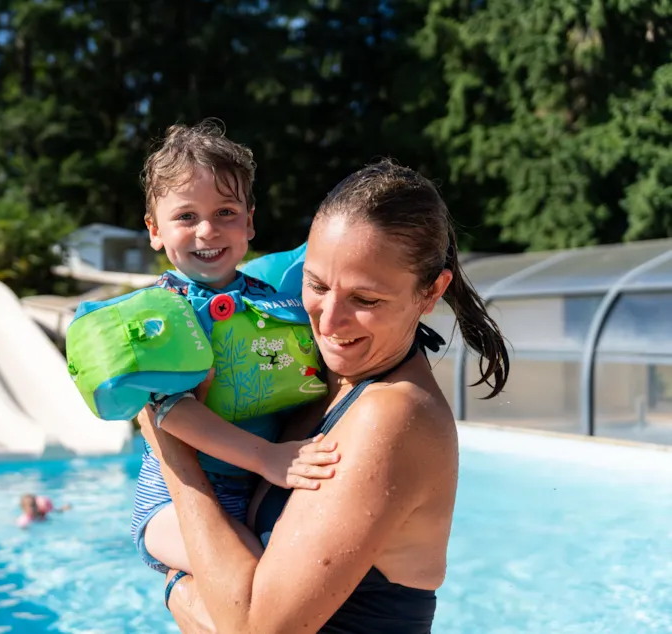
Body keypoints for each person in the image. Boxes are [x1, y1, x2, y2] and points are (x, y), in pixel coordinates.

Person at [140, 159, 509, 633]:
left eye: (366, 300)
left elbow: (256, 628)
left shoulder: (392, 415)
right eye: (316, 285)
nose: (328, 324)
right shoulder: (319, 376)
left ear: (431, 291)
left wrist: (170, 445)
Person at [75, 119, 338, 577]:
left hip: (256, 487)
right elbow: (172, 412)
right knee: (252, 580)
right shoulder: (160, 315)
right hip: (174, 499)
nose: (207, 231)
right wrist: (268, 458)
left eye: (225, 213)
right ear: (154, 230)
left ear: (250, 221)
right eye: (186, 216)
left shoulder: (272, 295)